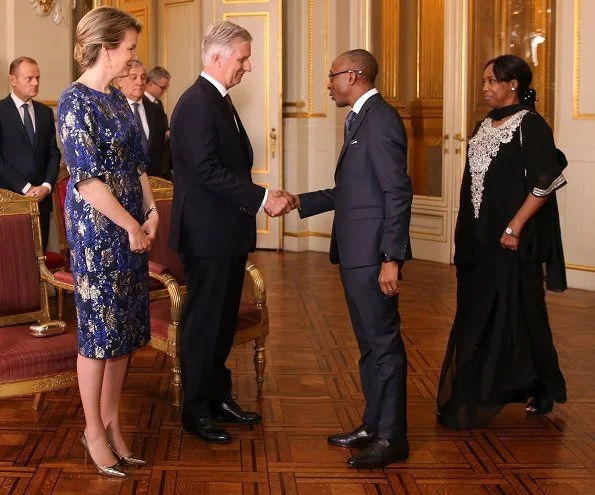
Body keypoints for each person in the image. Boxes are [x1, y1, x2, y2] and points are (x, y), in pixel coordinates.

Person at [169, 20, 291, 444]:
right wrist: (261, 198)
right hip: (207, 236)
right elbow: (206, 171)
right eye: (242, 58)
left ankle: (218, 397)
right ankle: (195, 410)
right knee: (204, 322)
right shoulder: (196, 103)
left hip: (225, 233)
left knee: (222, 321)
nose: (248, 66)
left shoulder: (218, 100)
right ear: (218, 58)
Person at [291, 49, 413, 469]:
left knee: (383, 346)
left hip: (374, 254)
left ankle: (392, 438)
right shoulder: (361, 118)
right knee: (369, 346)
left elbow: (397, 193)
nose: (328, 84)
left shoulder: (380, 120)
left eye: (332, 76)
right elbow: (357, 192)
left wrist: (391, 258)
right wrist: (298, 201)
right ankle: (373, 425)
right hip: (358, 252)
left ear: (354, 75)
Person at [436, 54, 567, 429]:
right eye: (483, 82)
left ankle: (516, 387)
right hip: (478, 239)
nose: (485, 88)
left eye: (492, 81)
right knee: (477, 309)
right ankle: (504, 384)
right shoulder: (484, 124)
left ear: (513, 84)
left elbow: (546, 181)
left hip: (510, 240)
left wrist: (514, 227)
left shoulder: (531, 125)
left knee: (522, 310)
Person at [58, 6, 159, 477]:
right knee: (98, 335)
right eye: (130, 48)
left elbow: (137, 166)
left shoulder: (119, 99)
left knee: (125, 332)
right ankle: (92, 430)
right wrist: (130, 225)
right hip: (99, 232)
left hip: (131, 230)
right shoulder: (73, 101)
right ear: (106, 48)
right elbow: (86, 181)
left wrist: (152, 209)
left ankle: (113, 422)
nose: (133, 57)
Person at [0, 57, 60, 251]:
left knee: (38, 260)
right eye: (29, 78)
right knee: (14, 263)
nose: (35, 83)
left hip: (41, 202)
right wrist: (26, 188)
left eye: (38, 78)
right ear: (13, 80)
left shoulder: (44, 113)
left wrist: (46, 186)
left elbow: (53, 154)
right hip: (11, 202)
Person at [116, 60, 168, 178]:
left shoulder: (155, 109)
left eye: (143, 77)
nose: (139, 82)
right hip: (123, 183)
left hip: (154, 181)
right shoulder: (112, 110)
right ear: (120, 81)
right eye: (133, 77)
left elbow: (160, 149)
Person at [145, 66, 172, 179]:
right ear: (151, 83)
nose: (165, 91)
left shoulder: (157, 103)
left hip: (160, 163)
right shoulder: (142, 104)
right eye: (162, 87)